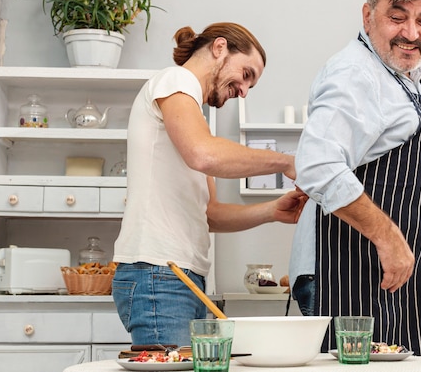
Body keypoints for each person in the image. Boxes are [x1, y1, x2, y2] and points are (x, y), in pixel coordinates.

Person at [112, 22, 308, 347]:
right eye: (246, 74)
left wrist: (274, 210)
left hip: (179, 276)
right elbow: (202, 154)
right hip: (159, 273)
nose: (244, 90)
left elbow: (211, 214)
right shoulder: (174, 80)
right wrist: (286, 161)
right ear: (219, 48)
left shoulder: (195, 121)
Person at [289, 0, 421, 355]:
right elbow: (318, 166)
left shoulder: (402, 77)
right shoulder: (356, 73)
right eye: (397, 17)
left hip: (387, 280)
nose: (411, 33)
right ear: (367, 16)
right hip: (348, 276)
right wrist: (389, 238)